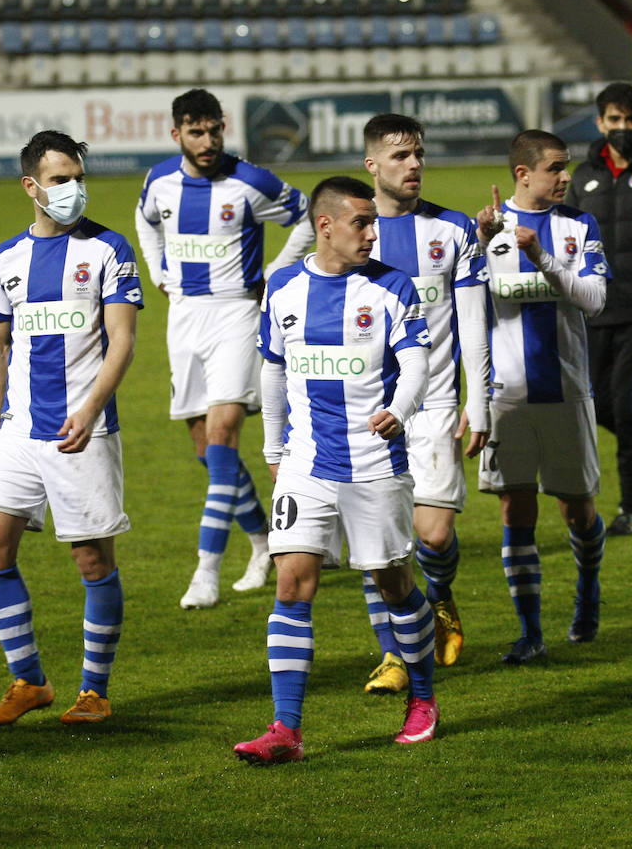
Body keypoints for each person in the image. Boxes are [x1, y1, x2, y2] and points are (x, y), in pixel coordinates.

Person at [233, 176, 438, 763]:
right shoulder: (284, 288)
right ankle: (285, 730)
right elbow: (272, 370)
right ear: (325, 226)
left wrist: (399, 409)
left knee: (393, 585)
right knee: (292, 583)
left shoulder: (391, 287)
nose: (373, 233)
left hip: (376, 462)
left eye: (373, 223)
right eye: (361, 223)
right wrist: (274, 450)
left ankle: (422, 698)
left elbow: (417, 361)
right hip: (306, 463)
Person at [0, 130, 142, 728]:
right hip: (20, 428)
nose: (72, 189)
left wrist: (92, 407)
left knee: (92, 561)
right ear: (31, 186)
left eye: (77, 177)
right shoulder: (6, 257)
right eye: (59, 179)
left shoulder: (109, 250)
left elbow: (122, 340)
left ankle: (94, 690)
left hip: (82, 428)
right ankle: (30, 682)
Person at [135, 89, 315, 609]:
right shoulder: (160, 181)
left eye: (214, 129)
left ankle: (205, 571)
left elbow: (306, 214)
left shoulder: (250, 180)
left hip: (238, 312)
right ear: (177, 135)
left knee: (221, 436)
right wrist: (158, 269)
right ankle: (263, 542)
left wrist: (276, 270)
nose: (208, 140)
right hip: (184, 316)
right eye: (196, 131)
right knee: (206, 450)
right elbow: (145, 218)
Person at [354, 113, 489, 694]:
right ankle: (390, 654)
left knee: (431, 537)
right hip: (366, 408)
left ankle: (441, 599)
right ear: (372, 165)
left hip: (433, 403)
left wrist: (478, 400)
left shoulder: (453, 230)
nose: (413, 165)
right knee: (376, 535)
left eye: (418, 154)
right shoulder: (351, 232)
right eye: (400, 155)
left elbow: (475, 325)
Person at [476, 130, 611, 663]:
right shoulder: (483, 230)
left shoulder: (578, 227)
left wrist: (544, 259)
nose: (565, 177)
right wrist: (483, 245)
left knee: (577, 511)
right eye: (555, 168)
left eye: (567, 167)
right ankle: (530, 631)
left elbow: (595, 301)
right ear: (522, 173)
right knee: (516, 507)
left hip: (566, 392)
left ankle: (588, 585)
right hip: (506, 396)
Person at [563, 83, 632, 537]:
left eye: (631, 119)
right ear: (600, 123)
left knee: (627, 406)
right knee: (596, 406)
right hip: (594, 311)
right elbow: (564, 235)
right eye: (615, 120)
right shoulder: (584, 175)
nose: (623, 128)